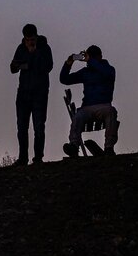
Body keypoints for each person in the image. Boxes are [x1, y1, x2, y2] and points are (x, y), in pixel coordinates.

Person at [59, 45, 118, 157]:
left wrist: (91, 60)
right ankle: (74, 146)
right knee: (78, 117)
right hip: (87, 107)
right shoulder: (86, 72)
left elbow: (106, 73)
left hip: (103, 105)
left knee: (111, 112)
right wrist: (68, 64)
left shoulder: (108, 70)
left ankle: (109, 148)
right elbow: (64, 79)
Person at [10, 24, 54, 165]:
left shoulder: (44, 48)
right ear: (24, 38)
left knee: (39, 126)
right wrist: (21, 63)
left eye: (32, 38)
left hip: (39, 94)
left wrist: (34, 53)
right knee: (22, 127)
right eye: (28, 39)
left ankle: (38, 158)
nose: (30, 41)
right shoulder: (20, 48)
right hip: (23, 93)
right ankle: (23, 158)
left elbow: (48, 67)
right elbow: (12, 68)